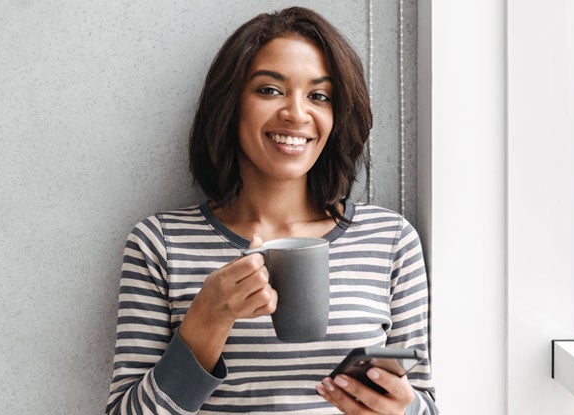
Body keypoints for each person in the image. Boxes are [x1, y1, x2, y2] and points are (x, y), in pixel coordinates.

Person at [105, 7, 436, 414]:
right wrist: (208, 317)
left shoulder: (390, 240)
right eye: (270, 90)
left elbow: (423, 402)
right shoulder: (161, 244)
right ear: (231, 104)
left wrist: (402, 410)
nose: (296, 113)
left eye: (319, 96)